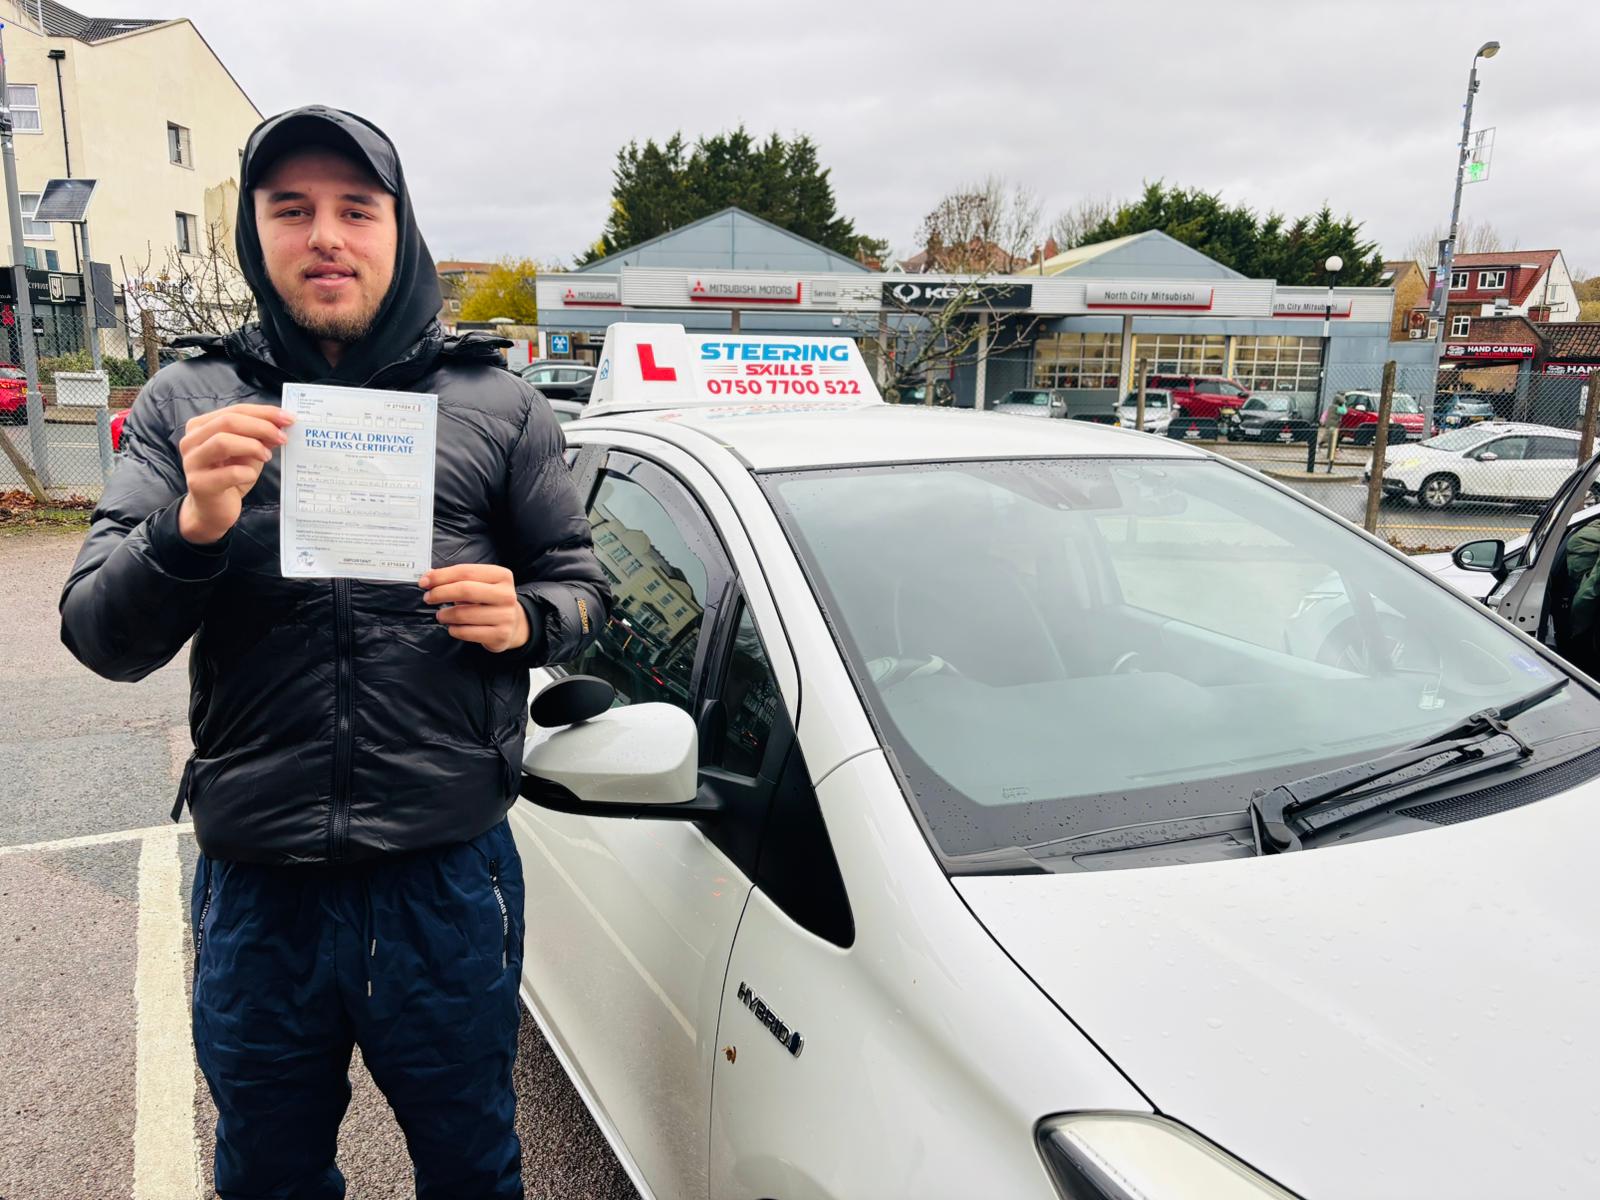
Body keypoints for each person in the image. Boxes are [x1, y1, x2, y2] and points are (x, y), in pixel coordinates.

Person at [59, 106, 611, 1199]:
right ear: (255, 232)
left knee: (472, 1167)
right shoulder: (187, 402)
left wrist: (530, 619)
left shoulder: (499, 405)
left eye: (356, 210)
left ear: (399, 229)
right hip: (261, 887)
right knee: (266, 1174)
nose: (325, 236)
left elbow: (586, 586)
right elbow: (99, 636)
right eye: (292, 209)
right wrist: (190, 527)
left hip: (444, 878)